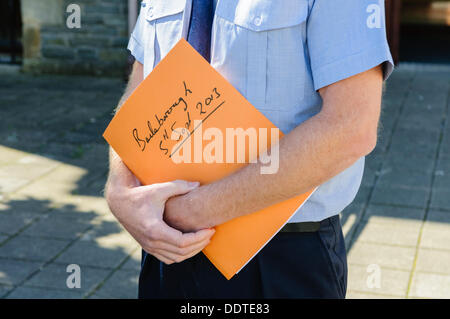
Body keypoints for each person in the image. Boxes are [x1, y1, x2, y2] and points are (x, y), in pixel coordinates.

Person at [105, 0, 394, 298]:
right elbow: (140, 86)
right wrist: (119, 189)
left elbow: (350, 127)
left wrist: (190, 212)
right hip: (165, 249)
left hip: (280, 260)